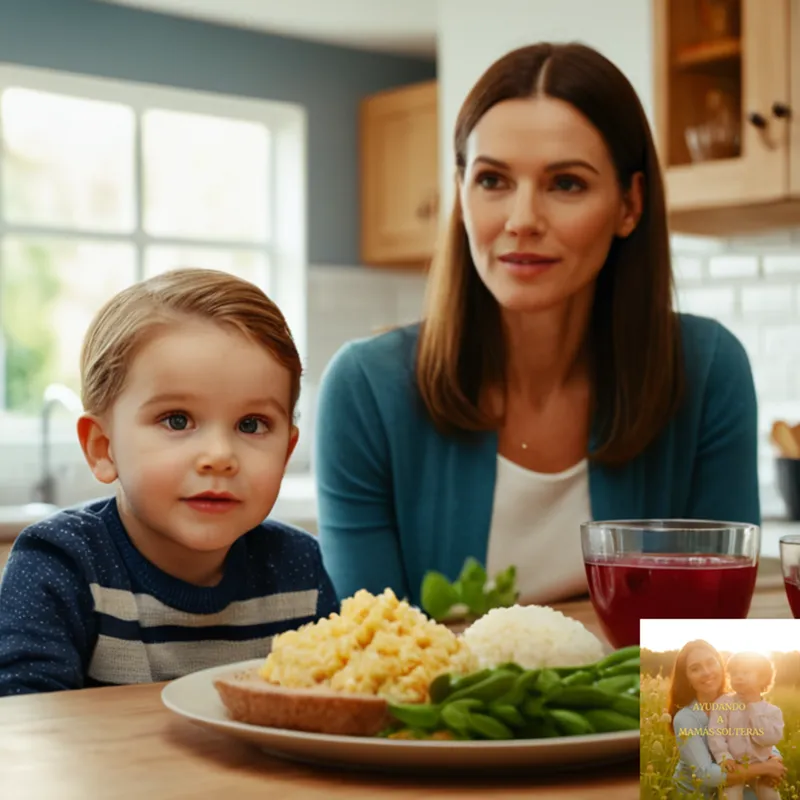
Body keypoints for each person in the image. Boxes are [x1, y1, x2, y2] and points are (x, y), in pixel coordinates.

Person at [314, 41, 760, 607]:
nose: (522, 220)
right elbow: (372, 656)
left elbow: (710, 644)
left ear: (629, 204)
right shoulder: (364, 389)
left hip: (647, 700)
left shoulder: (707, 369)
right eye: (493, 180)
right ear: (460, 192)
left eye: (566, 183)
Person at [0, 268, 338, 697]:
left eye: (251, 425)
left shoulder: (302, 570)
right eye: (177, 420)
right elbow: (20, 730)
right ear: (104, 448)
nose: (219, 456)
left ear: (287, 452)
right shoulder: (59, 564)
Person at [669, 640, 786, 798]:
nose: (706, 672)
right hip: (698, 794)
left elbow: (756, 737)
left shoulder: (738, 701)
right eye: (695, 669)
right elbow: (706, 774)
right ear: (687, 678)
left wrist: (775, 759)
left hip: (735, 782)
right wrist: (765, 768)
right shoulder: (685, 718)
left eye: (711, 663)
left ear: (721, 665)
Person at [707, 652, 785, 800]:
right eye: (734, 673)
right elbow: (716, 733)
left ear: (762, 678)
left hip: (761, 768)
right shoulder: (723, 704)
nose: (739, 677)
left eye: (745, 672)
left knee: (771, 796)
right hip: (735, 767)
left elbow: (768, 739)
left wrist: (754, 706)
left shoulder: (772, 711)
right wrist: (724, 757)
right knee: (729, 796)